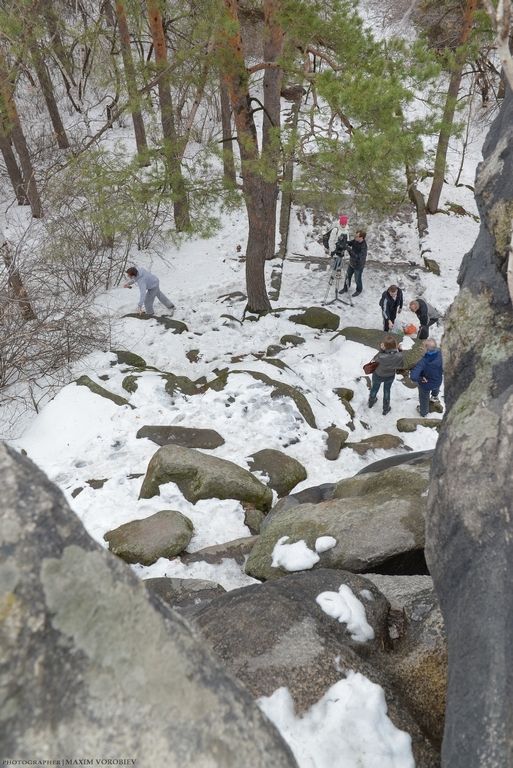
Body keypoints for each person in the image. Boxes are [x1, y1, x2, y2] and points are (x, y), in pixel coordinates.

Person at [367, 334, 405, 416]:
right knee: (387, 391)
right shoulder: (399, 355)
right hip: (390, 376)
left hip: (378, 375)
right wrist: (399, 350)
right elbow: (400, 365)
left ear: (385, 347)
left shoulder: (380, 356)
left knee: (374, 388)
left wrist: (381, 349)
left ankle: (371, 401)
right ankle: (386, 408)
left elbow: (374, 359)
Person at [410, 338, 443, 417]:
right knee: (436, 386)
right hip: (438, 380)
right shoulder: (441, 354)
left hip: (426, 384)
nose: (421, 348)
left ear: (427, 350)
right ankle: (435, 396)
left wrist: (420, 379)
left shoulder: (423, 362)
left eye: (423, 347)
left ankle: (423, 412)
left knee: (424, 398)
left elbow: (413, 377)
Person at [341, 229, 367, 297]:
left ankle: (359, 290)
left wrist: (349, 250)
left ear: (361, 237)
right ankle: (345, 288)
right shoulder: (355, 240)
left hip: (358, 266)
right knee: (348, 276)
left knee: (357, 279)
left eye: (357, 236)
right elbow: (350, 243)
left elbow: (358, 257)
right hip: (351, 263)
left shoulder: (364, 247)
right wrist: (344, 241)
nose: (355, 237)